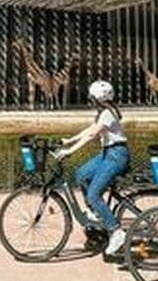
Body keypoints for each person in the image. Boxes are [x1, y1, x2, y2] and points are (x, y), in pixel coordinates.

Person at [55, 80, 130, 255]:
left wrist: (69, 151)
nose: (90, 101)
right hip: (108, 153)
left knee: (94, 195)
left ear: (97, 99)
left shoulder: (107, 114)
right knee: (81, 174)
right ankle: (95, 212)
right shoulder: (104, 112)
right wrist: (69, 140)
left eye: (92, 98)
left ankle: (116, 232)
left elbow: (91, 135)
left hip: (116, 156)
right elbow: (90, 129)